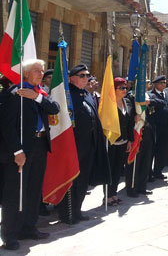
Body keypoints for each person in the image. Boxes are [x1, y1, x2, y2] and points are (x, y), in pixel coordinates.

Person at [0, 59, 59, 250]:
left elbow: (55, 108)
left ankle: (28, 227)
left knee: (34, 190)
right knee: (15, 193)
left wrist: (36, 97)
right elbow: (7, 127)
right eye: (36, 71)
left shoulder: (39, 93)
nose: (41, 74)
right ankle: (10, 234)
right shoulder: (13, 93)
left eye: (42, 71)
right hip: (21, 150)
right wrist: (17, 151)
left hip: (40, 145)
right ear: (25, 73)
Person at [57, 64, 110, 224]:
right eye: (82, 75)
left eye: (87, 75)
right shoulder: (67, 96)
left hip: (89, 144)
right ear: (72, 78)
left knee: (82, 180)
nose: (86, 78)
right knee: (71, 179)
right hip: (73, 145)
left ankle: (77, 210)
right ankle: (67, 213)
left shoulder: (86, 94)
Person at [106, 78, 134, 206]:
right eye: (121, 88)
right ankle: (107, 196)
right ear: (114, 89)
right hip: (111, 142)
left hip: (123, 141)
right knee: (110, 169)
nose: (124, 90)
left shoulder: (127, 102)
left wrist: (130, 140)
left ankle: (114, 194)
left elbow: (129, 123)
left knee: (118, 170)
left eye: (125, 88)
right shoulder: (108, 104)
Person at [146, 75, 168, 181]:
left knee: (162, 150)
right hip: (154, 127)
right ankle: (148, 173)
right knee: (151, 151)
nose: (163, 85)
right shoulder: (150, 95)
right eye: (161, 83)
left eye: (164, 83)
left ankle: (158, 171)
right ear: (156, 84)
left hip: (166, 128)